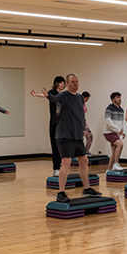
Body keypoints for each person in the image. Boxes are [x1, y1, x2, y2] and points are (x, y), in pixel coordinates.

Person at [43, 73, 103, 203]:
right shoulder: (63, 95)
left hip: (76, 136)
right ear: (67, 83)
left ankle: (87, 188)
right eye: (72, 82)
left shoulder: (80, 97)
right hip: (64, 136)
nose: (75, 84)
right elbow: (54, 99)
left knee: (84, 160)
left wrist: (82, 129)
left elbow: (80, 114)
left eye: (77, 82)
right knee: (66, 163)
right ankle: (61, 192)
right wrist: (48, 95)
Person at [30, 76, 66, 176]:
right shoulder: (52, 92)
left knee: (63, 146)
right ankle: (56, 168)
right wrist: (36, 95)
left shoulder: (64, 94)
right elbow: (46, 95)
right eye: (60, 82)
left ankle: (62, 165)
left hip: (63, 124)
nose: (62, 84)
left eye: (63, 83)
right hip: (54, 123)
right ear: (56, 83)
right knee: (55, 146)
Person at [103, 91, 126, 171]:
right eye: (117, 97)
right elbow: (108, 121)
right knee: (120, 144)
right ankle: (116, 164)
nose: (120, 99)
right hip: (109, 132)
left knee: (114, 152)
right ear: (113, 100)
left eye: (120, 97)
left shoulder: (121, 110)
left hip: (115, 133)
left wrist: (123, 131)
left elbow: (122, 122)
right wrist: (118, 130)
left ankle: (109, 170)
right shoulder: (109, 109)